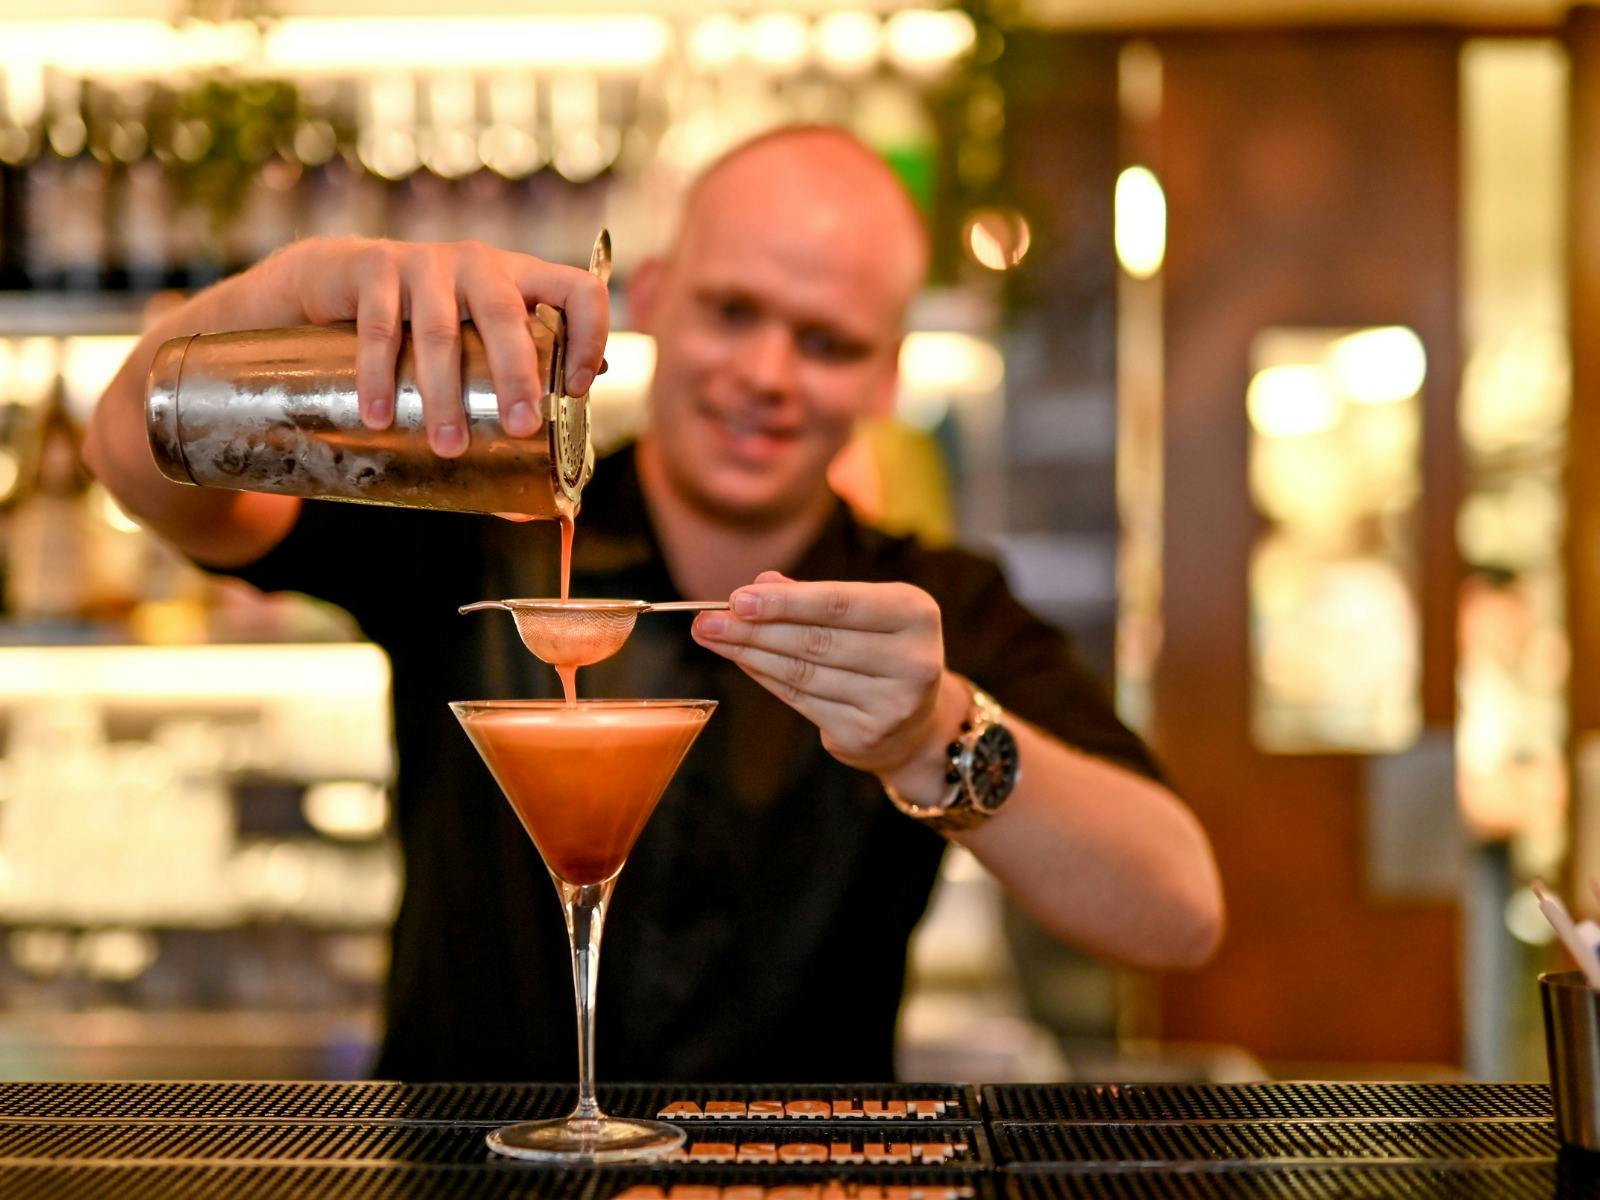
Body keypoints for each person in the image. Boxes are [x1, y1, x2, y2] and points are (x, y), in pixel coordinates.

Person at [86, 126, 1223, 1082]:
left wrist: (935, 734)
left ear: (885, 377)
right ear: (660, 302)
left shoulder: (929, 608)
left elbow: (1177, 911)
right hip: (461, 1174)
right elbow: (134, 461)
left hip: (791, 1183)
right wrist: (293, 289)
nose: (769, 373)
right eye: (734, 312)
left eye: (826, 343)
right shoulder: (474, 523)